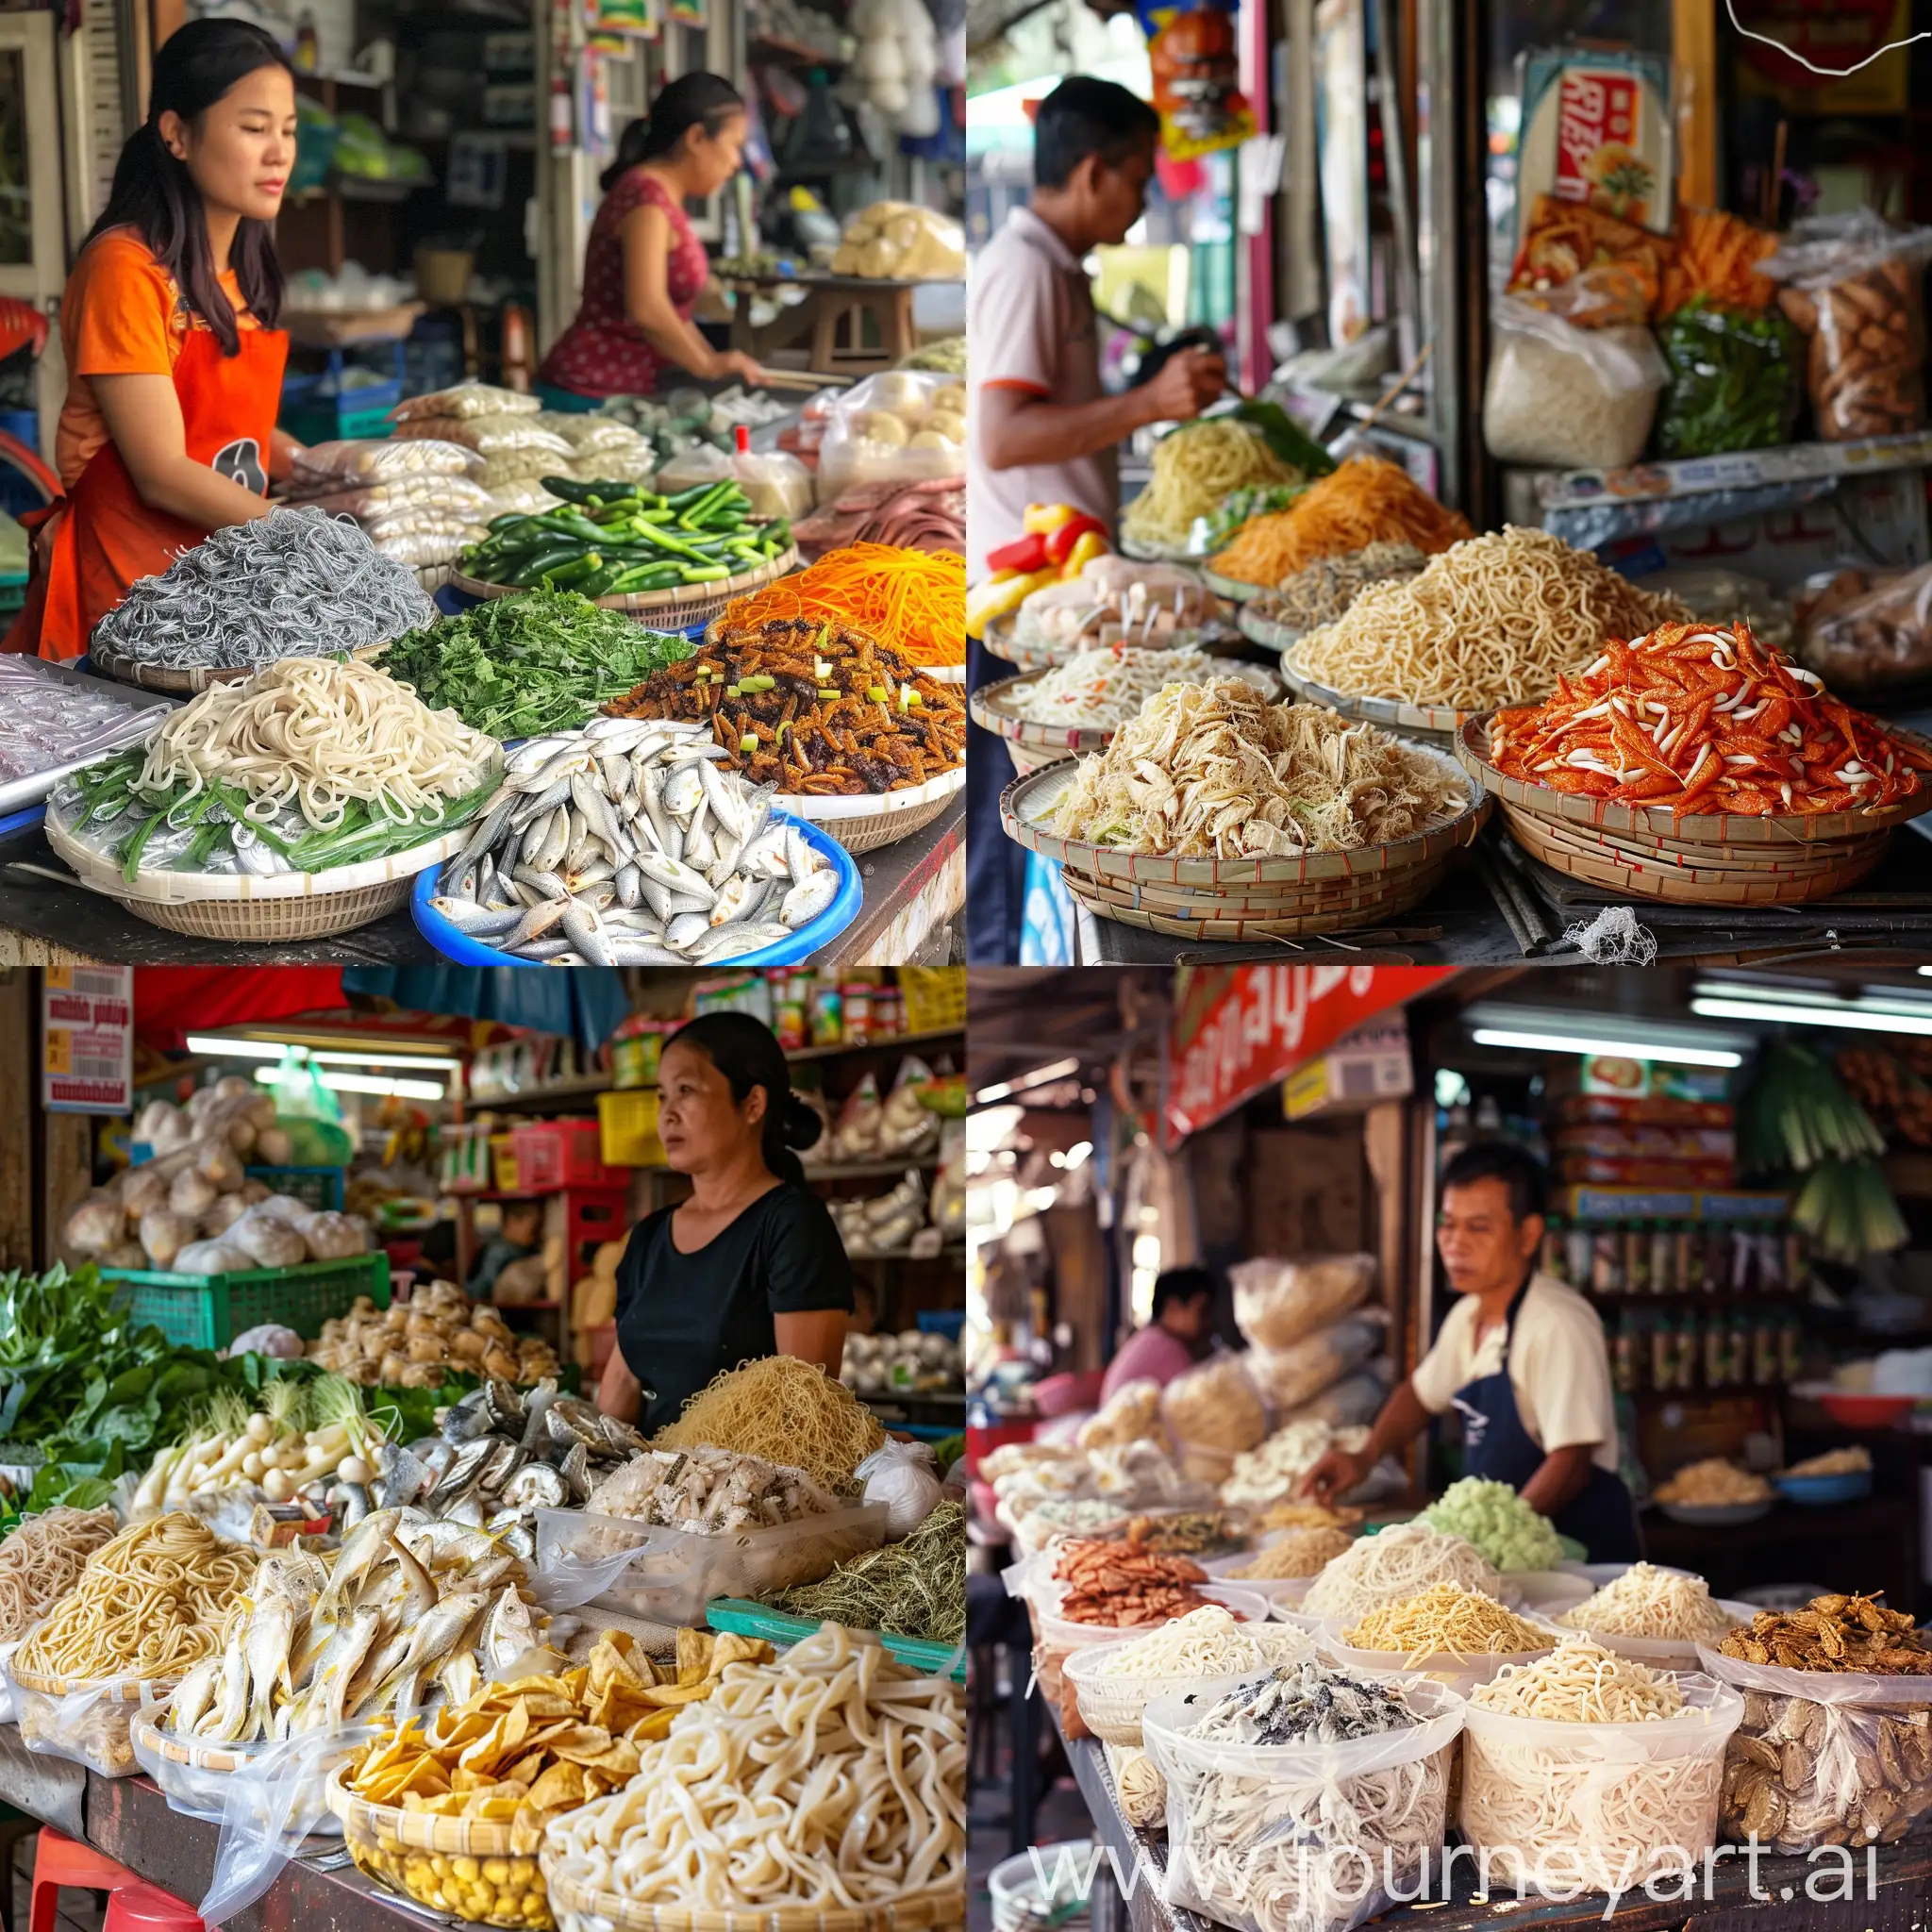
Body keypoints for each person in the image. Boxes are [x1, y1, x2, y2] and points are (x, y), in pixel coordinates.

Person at [965, 75, 1224, 962]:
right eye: (1139, 176)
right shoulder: (1024, 270)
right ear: (1090, 171)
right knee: (1006, 824)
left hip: (1063, 585)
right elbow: (999, 439)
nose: (1146, 197)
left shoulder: (1057, 269)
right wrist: (1148, 401)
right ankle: (1000, 961)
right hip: (1021, 599)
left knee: (1034, 813)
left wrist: (1142, 393)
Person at [6, 20, 302, 660]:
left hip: (222, 589)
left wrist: (321, 470)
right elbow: (162, 470)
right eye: (254, 129)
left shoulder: (240, 271)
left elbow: (225, 430)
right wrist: (301, 534)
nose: (279, 152)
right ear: (176, 134)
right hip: (130, 606)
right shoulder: (126, 270)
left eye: (288, 130)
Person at [1301, 1141, 1640, 1561]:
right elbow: (1420, 1396)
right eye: (1448, 1224)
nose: (1455, 1244)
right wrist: (1365, 1456)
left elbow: (1570, 1462)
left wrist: (1500, 1542)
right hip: (1506, 1560)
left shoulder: (1556, 1323)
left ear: (1529, 1234)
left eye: (1478, 1228)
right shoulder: (1468, 1314)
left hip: (1574, 1560)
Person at [596, 1011, 853, 1431]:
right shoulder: (648, 1237)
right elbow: (622, 1383)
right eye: (662, 1096)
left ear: (752, 1104)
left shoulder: (792, 1227)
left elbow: (807, 1412)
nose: (668, 1114)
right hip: (648, 1483)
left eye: (686, 1091)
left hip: (745, 1488)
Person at [536, 74, 767, 408]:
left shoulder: (662, 197)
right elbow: (647, 308)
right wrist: (707, 365)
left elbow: (675, 316)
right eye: (734, 145)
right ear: (697, 137)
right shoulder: (645, 199)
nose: (736, 163)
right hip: (587, 392)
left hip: (624, 392)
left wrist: (717, 363)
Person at [1099, 1266, 1216, 1403]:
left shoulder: (1150, 1339)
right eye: (1203, 1311)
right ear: (1173, 1308)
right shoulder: (1167, 1348)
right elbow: (1198, 1404)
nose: (1209, 1322)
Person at [467, 1200, 543, 1300]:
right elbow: (482, 1292)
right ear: (512, 1221)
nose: (535, 1236)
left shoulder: (526, 1249)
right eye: (533, 1229)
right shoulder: (499, 1252)